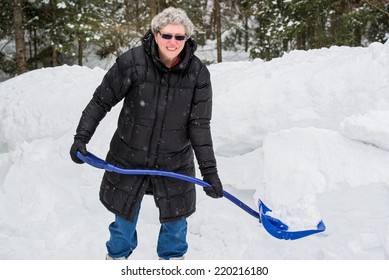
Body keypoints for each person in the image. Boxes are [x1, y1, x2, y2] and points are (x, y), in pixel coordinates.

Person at [70, 7, 223, 260]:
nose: (172, 42)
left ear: (187, 38)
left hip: (175, 161)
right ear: (155, 34)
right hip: (129, 157)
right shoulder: (132, 63)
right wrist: (81, 137)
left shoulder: (197, 74)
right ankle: (117, 260)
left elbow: (199, 125)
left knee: (176, 225)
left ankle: (172, 262)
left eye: (179, 37)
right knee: (123, 224)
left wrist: (210, 173)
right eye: (167, 35)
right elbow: (100, 101)